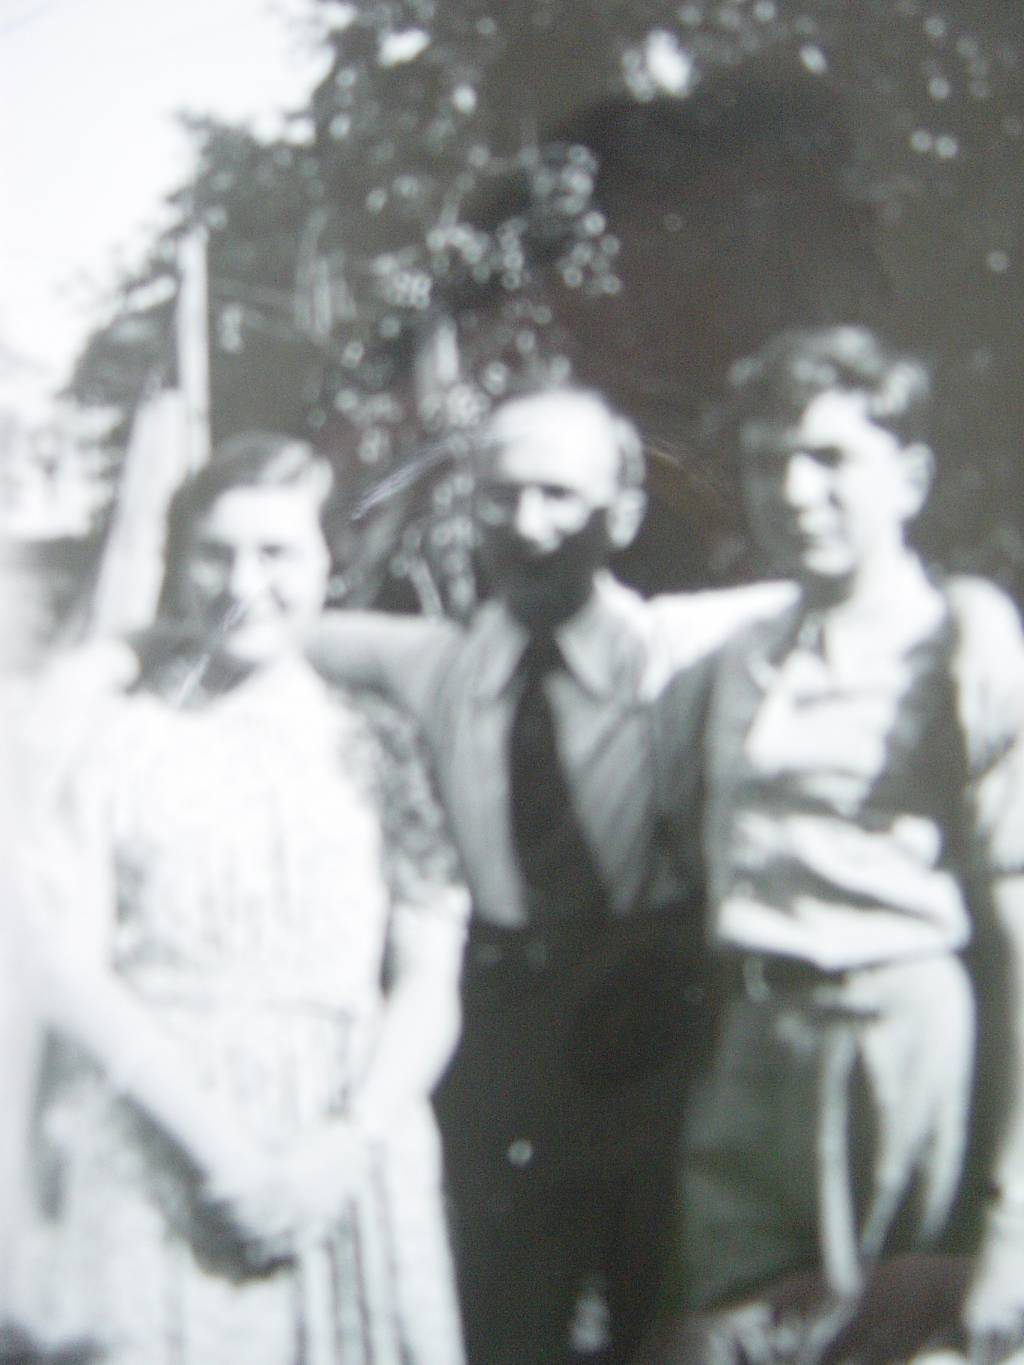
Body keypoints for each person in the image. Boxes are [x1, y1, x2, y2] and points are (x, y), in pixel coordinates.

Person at [302, 387, 791, 1365]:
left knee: (668, 1318)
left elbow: (851, 593)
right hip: (505, 1036)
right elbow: (254, 625)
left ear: (623, 514)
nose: (528, 526)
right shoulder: (434, 667)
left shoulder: (678, 649)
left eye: (561, 496)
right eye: (502, 495)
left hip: (654, 1028)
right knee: (507, 1320)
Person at [14, 432, 468, 1365]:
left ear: (329, 562)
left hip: (344, 1151)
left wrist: (344, 1147)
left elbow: (430, 979)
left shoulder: (378, 741)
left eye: (277, 553)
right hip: (158, 1144)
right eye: (215, 553)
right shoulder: (114, 742)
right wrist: (223, 1152)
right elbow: (63, 968)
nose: (242, 583)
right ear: (177, 563)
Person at [650, 325, 1024, 1364]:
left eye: (829, 458)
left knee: (900, 1341)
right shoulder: (736, 652)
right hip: (749, 1051)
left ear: (910, 477)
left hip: (894, 1044)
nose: (793, 491)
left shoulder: (960, 645)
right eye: (767, 461)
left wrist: (1015, 1218)